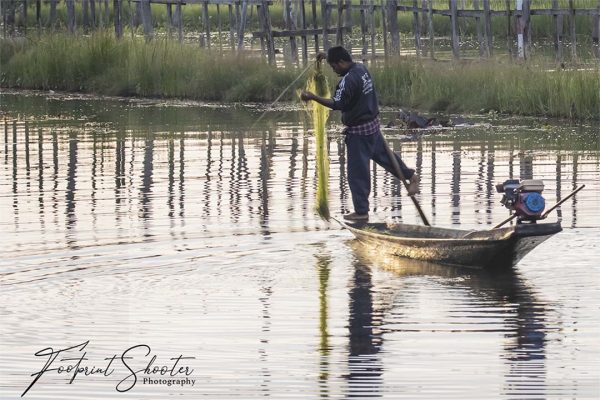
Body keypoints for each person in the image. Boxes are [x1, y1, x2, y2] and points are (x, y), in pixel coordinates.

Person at [301, 46, 420, 221]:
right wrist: (325, 57)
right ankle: (411, 176)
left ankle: (361, 212)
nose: (334, 71)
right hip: (372, 126)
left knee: (357, 173)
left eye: (334, 67)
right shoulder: (361, 69)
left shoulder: (347, 81)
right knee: (387, 158)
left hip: (359, 133)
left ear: (341, 62)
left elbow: (337, 104)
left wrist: (312, 97)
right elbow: (340, 61)